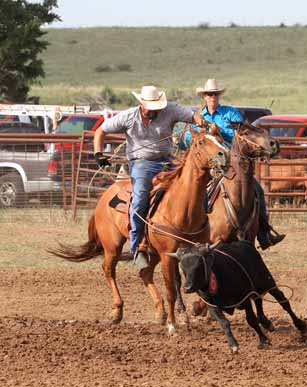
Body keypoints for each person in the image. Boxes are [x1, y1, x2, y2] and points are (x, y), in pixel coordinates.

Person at [93, 85, 206, 268]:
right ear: (141, 104)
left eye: (157, 107)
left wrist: (200, 121)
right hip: (141, 164)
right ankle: (138, 245)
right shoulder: (128, 116)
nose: (155, 111)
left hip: (167, 160)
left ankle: (201, 233)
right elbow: (100, 131)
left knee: (196, 185)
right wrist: (99, 154)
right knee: (140, 197)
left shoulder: (170, 109)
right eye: (151, 107)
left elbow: (193, 116)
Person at [182, 78, 285, 250]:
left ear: (219, 96)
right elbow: (189, 139)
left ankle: (264, 232)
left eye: (215, 94)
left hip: (234, 161)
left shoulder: (231, 113)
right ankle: (196, 229)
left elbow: (242, 133)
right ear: (204, 97)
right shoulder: (200, 117)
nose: (212, 97)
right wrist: (206, 134)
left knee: (256, 189)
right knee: (197, 191)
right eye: (209, 94)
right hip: (212, 162)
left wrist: (220, 132)